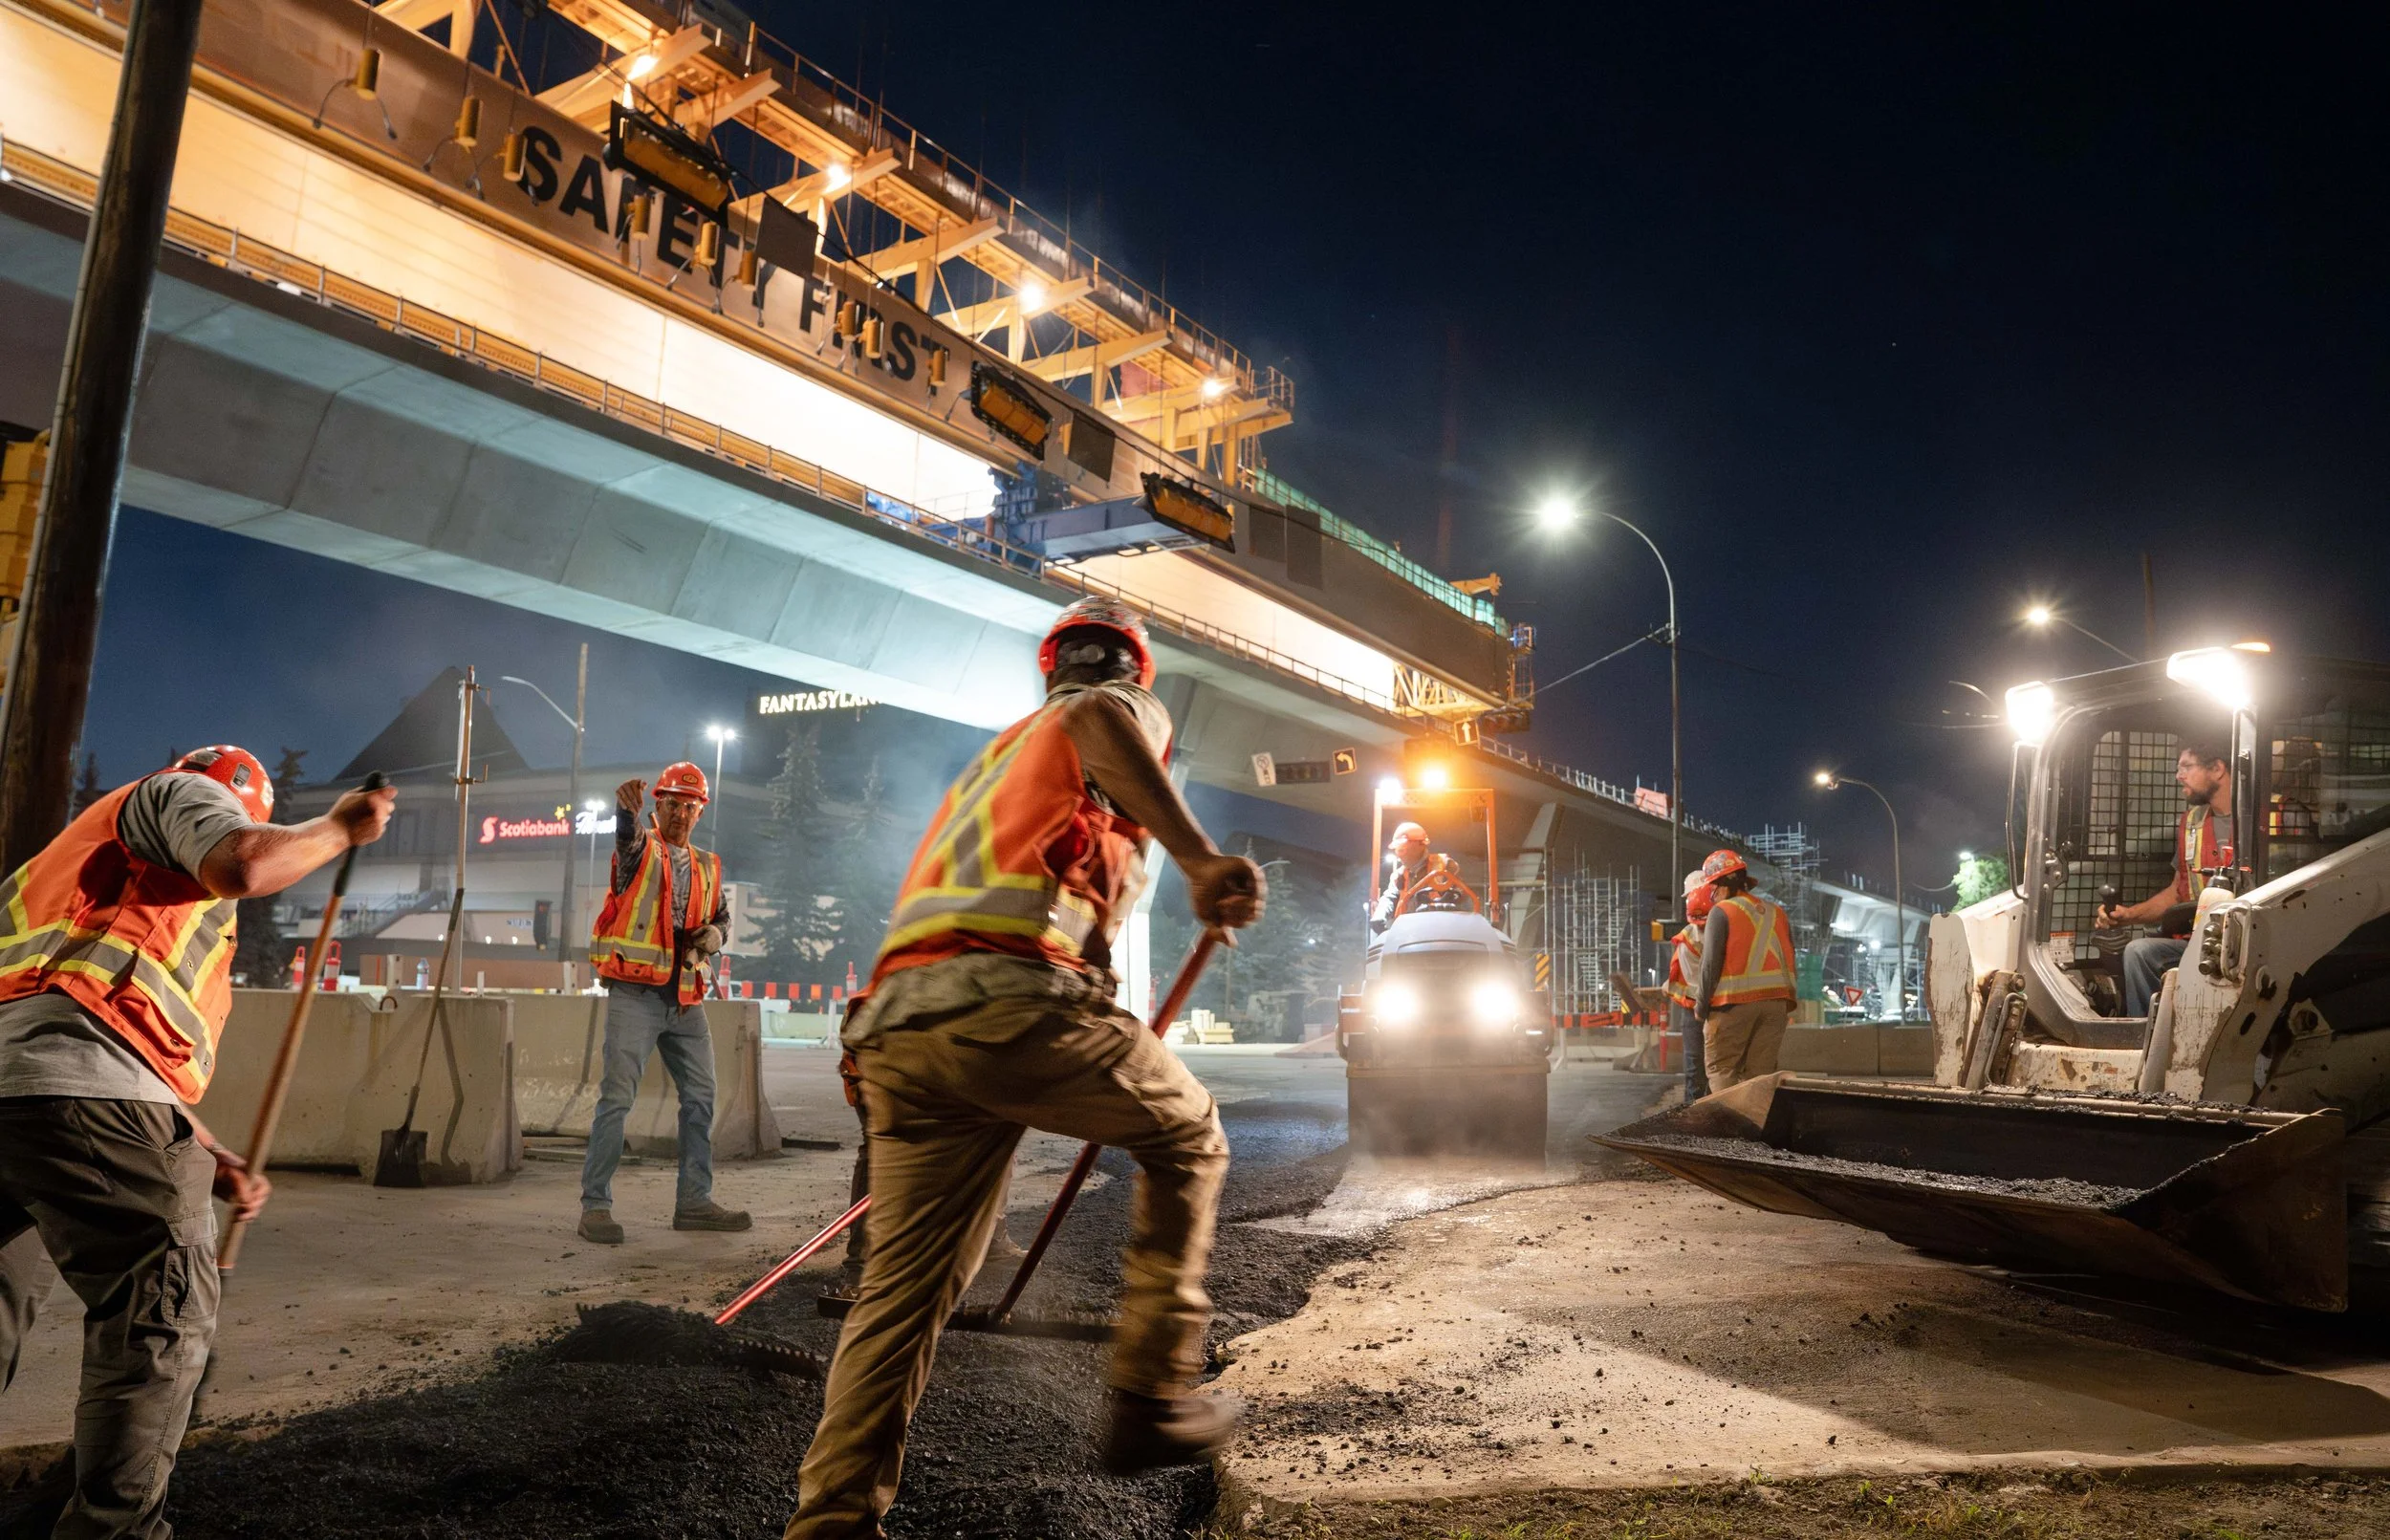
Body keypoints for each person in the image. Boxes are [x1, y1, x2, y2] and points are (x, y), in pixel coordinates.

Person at [785, 596, 1265, 1540]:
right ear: (1128, 671)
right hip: (1013, 1007)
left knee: (905, 1293)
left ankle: (831, 1523)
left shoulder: (997, 758)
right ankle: (1150, 1396)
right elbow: (1099, 723)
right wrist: (1203, 861)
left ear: (1050, 664)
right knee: (1190, 1132)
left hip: (902, 1034)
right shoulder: (1111, 711)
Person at [0, 747, 393, 1538]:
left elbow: (80, 1007)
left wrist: (203, 1149)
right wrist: (338, 829)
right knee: (161, 1296)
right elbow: (244, 866)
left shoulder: (57, 870)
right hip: (82, 1087)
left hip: (23, 1092)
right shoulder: (181, 796)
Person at [577, 764, 750, 1243]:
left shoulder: (708, 865)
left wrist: (716, 934)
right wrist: (623, 813)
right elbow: (626, 841)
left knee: (701, 1099)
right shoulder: (641, 849)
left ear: (700, 812)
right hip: (636, 995)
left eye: (690, 805)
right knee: (617, 1100)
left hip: (686, 999)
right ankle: (596, 1207)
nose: (680, 812)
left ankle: (694, 1201)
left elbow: (722, 917)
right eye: (672, 803)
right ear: (657, 805)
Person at [2096, 739, 2238, 1016]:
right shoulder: (2193, 822)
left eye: (2186, 767)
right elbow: (2177, 891)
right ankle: (2146, 1041)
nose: (2178, 775)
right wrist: (2128, 915)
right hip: (2202, 941)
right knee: (2139, 953)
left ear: (2218, 768)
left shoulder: (2268, 818)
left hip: (2253, 942)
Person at [1693, 848, 1796, 1092]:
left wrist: (1701, 1006)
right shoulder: (1777, 912)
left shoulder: (1722, 911)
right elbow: (1789, 957)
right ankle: (1757, 1126)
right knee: (1760, 1077)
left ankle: (1728, 1127)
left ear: (1722, 884)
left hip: (1733, 1004)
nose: (1712, 894)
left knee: (1722, 1070)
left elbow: (1710, 965)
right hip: (1776, 1004)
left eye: (1712, 887)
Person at [1663, 870, 1714, 1102]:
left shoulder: (1689, 938)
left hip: (1697, 1009)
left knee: (1697, 1071)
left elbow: (1696, 983)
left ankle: (1692, 1121)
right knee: (1714, 1071)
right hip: (1719, 1008)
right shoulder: (1728, 928)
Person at [1369, 821, 1433, 931]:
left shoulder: (1443, 867)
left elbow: (1463, 900)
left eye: (1402, 850)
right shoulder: (1399, 876)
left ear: (1420, 844)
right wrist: (1380, 914)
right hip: (1406, 935)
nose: (1400, 855)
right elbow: (1389, 897)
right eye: (1398, 850)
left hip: (1437, 931)